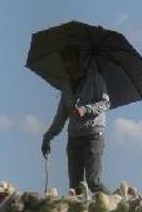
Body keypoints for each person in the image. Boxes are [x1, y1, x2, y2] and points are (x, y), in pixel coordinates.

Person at [41, 45, 110, 193]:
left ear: (78, 60)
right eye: (65, 63)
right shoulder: (66, 86)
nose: (69, 66)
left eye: (71, 61)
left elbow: (105, 103)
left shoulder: (95, 78)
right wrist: (47, 137)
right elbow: (60, 117)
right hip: (74, 137)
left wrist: (85, 109)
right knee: (75, 187)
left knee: (93, 182)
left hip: (93, 134)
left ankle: (116, 206)